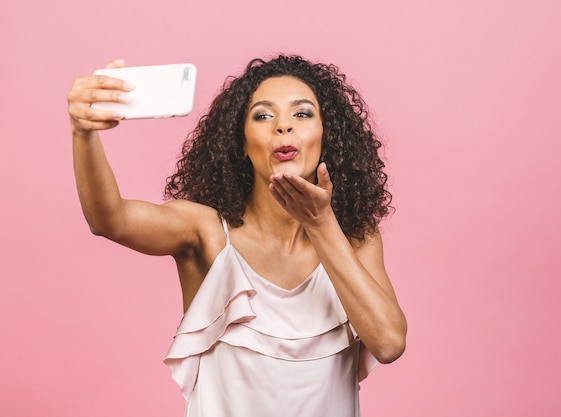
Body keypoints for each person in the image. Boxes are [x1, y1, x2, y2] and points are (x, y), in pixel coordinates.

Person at [67, 55, 407, 417]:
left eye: (302, 114)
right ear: (241, 143)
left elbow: (388, 343)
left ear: (327, 137)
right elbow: (109, 219)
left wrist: (321, 224)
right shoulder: (207, 232)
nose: (283, 127)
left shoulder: (355, 239)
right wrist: (82, 132)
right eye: (263, 115)